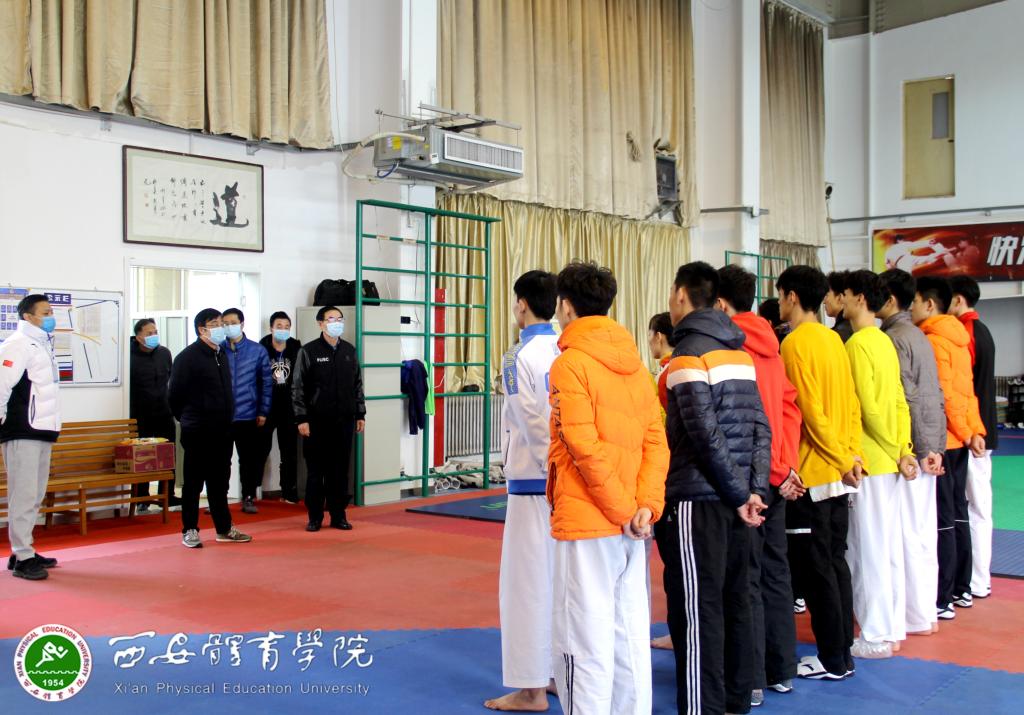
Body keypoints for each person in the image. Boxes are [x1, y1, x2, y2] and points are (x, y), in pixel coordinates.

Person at [547, 261, 668, 715]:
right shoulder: (637, 367)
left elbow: (583, 446)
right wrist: (644, 508)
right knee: (628, 631)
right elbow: (656, 442)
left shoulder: (569, 364)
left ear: (566, 306)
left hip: (592, 520)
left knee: (583, 635)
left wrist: (626, 509)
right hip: (632, 524)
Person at [657, 262, 770, 715]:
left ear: (681, 295)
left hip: (698, 500)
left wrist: (741, 494)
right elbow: (761, 427)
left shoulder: (686, 357)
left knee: (697, 608)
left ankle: (703, 708)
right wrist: (754, 490)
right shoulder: (738, 355)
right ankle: (736, 702)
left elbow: (704, 436)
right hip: (737, 500)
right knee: (735, 599)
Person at [717, 264, 803, 704]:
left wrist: (771, 472)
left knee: (744, 578)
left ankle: (749, 678)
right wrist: (786, 469)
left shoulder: (730, 349)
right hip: (775, 474)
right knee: (775, 571)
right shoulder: (772, 346)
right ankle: (780, 668)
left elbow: (745, 421)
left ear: (720, 303)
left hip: (749, 479)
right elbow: (788, 410)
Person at [776, 266, 862, 681]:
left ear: (792, 296)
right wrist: (852, 456)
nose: (779, 303)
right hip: (838, 471)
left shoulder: (794, 344)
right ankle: (841, 653)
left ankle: (831, 658)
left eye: (780, 296)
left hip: (813, 473)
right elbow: (850, 405)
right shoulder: (833, 339)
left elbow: (809, 412)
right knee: (835, 563)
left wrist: (843, 459)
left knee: (817, 570)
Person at [485, 271, 561, 712]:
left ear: (521, 304)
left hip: (535, 481)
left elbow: (532, 420)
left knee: (525, 585)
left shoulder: (518, 356)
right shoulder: (566, 347)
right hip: (567, 483)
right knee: (557, 582)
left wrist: (550, 468)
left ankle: (531, 689)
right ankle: (555, 672)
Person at [842, 270, 917, 659]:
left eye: (844, 294)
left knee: (866, 550)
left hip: (870, 460)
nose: (840, 300)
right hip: (890, 459)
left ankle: (874, 634)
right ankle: (891, 627)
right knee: (886, 548)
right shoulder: (884, 340)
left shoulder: (857, 344)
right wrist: (903, 448)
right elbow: (899, 400)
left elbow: (866, 408)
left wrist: (895, 447)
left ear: (858, 298)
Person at [878, 269, 947, 637]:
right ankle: (923, 613)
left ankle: (911, 615)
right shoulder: (918, 334)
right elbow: (932, 394)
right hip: (928, 443)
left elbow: (908, 398)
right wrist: (934, 447)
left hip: (912, 449)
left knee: (904, 536)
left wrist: (915, 449)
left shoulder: (894, 338)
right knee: (920, 534)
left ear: (889, 300)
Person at [912, 277, 986, 619]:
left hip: (944, 440)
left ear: (929, 304)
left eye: (915, 302)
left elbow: (945, 396)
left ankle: (942, 596)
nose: (912, 308)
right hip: (959, 439)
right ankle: (961, 588)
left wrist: (965, 432)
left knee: (943, 518)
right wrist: (974, 430)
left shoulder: (934, 341)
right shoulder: (958, 337)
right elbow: (967, 393)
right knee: (958, 512)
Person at [169, 309, 252, 548]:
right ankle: (190, 529)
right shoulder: (187, 357)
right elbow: (174, 396)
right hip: (197, 430)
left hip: (223, 430)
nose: (221, 328)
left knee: (219, 483)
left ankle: (224, 528)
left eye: (221, 323)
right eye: (215, 324)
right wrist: (188, 419)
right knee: (193, 483)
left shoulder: (221, 353)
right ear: (201, 329)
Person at [1, 295, 61, 580]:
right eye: (45, 312)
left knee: (35, 494)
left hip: (42, 428)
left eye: (51, 312)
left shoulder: (41, 344)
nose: (51, 317)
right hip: (21, 428)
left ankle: (23, 550)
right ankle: (22, 555)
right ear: (28, 316)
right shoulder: (18, 344)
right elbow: (2, 384)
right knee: (23, 494)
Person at [292, 306, 366, 532]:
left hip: (344, 420)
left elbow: (357, 384)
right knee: (316, 471)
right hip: (316, 422)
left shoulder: (349, 350)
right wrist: (301, 418)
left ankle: (338, 515)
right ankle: (314, 517)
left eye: (339, 319)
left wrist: (360, 413)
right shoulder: (308, 351)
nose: (336, 323)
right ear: (320, 323)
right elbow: (297, 387)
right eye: (331, 319)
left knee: (340, 471)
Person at [949, 275, 998, 600]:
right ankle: (977, 578)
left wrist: (969, 432)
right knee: (976, 508)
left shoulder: (966, 332)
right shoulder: (982, 330)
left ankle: (976, 580)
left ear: (958, 300)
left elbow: (963, 390)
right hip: (979, 431)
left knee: (974, 508)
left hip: (973, 435)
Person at [221, 308, 272, 514]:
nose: (229, 326)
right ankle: (219, 498)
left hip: (248, 414)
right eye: (225, 323)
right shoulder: (217, 349)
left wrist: (263, 411)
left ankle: (248, 496)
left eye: (233, 322)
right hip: (222, 417)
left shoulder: (257, 350)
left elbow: (266, 383)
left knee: (249, 460)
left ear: (242, 324)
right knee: (220, 461)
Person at [129, 318, 181, 511]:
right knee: (142, 456)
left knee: (168, 453)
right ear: (138, 337)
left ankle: (168, 494)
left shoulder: (164, 353)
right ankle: (141, 496)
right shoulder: (129, 356)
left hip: (164, 412)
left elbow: (171, 380)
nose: (153, 336)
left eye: (155, 332)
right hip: (139, 414)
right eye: (149, 333)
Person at [259, 312, 303, 504]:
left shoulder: (296, 348)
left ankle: (288, 490)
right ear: (271, 328)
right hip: (267, 407)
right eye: (279, 326)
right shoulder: (261, 348)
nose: (283, 330)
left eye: (287, 326)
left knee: (289, 452)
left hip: (289, 407)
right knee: (260, 449)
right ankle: (251, 491)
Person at [824, 271, 853, 343]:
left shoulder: (838, 334)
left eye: (827, 295)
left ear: (839, 298)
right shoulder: (853, 326)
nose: (824, 301)